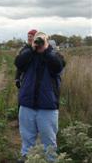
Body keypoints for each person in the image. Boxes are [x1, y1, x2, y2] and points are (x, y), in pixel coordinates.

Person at [14, 31, 65, 163]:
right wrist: (32, 49)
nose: (39, 43)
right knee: (27, 137)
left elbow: (58, 66)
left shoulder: (55, 55)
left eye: (41, 40)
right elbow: (18, 63)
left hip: (48, 106)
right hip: (27, 104)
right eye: (37, 40)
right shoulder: (28, 54)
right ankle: (27, 158)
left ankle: (50, 160)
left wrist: (46, 49)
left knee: (49, 140)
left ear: (47, 41)